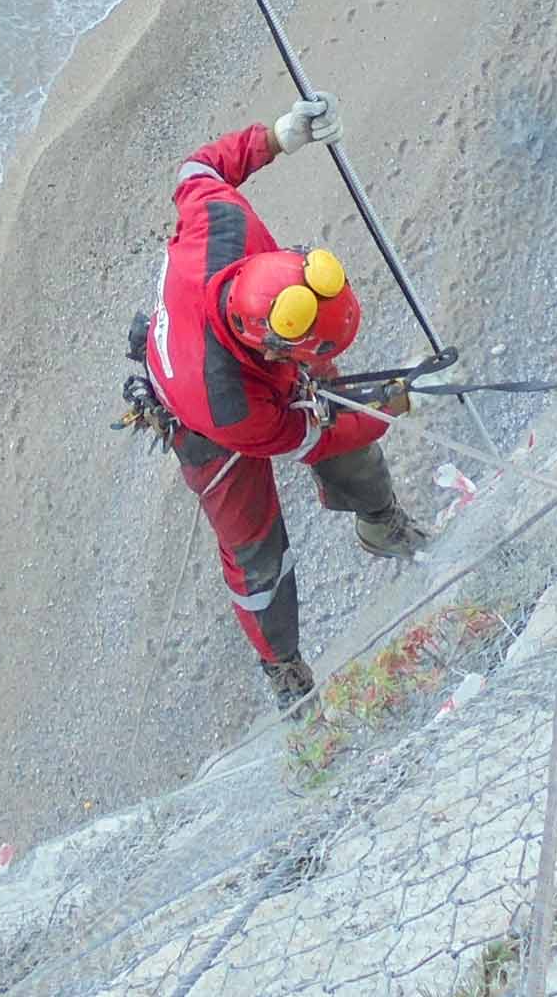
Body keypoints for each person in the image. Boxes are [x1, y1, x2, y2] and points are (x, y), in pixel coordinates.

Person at [143, 93, 427, 710]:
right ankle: (286, 670)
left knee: (346, 415)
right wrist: (395, 405)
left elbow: (198, 169)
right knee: (254, 550)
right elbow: (315, 436)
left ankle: (382, 525)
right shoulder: (232, 408)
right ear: (272, 344)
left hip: (243, 364)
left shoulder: (226, 226)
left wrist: (278, 136)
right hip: (200, 421)